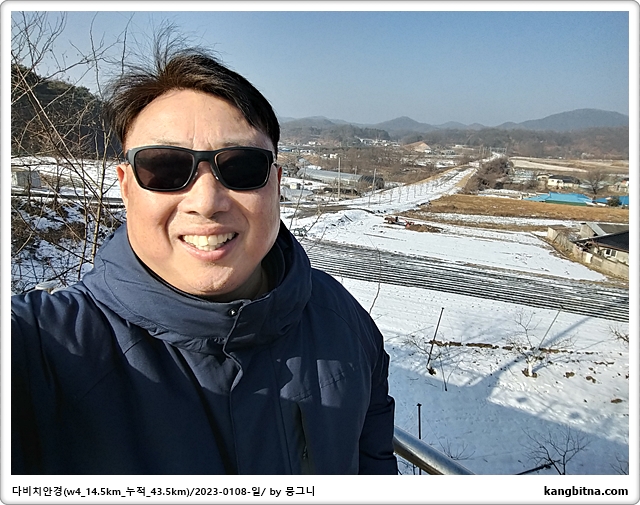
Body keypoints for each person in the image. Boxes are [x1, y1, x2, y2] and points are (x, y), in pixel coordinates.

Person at [11, 46, 398, 475]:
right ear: (126, 187)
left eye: (242, 167)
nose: (207, 201)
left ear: (275, 184)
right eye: (164, 168)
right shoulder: (46, 348)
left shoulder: (341, 320)